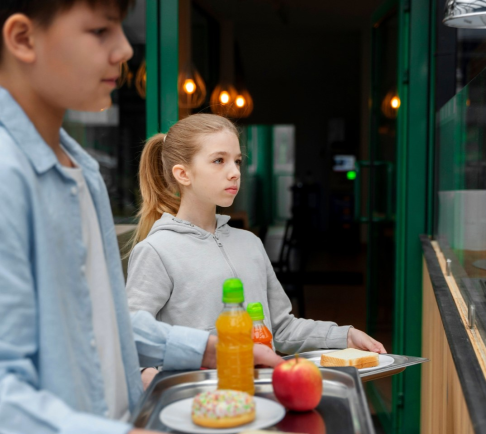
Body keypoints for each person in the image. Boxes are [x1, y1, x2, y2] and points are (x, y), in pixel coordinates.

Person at [0, 1, 282, 434]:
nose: (125, 50)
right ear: (22, 39)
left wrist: (210, 349)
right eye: (99, 31)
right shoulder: (7, 175)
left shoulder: (82, 170)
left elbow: (107, 326)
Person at [125, 113, 387, 356]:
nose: (235, 172)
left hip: (261, 397)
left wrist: (345, 336)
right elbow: (135, 340)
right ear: (183, 174)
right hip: (201, 401)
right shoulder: (156, 251)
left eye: (237, 161)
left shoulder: (249, 243)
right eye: (219, 160)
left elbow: (280, 328)